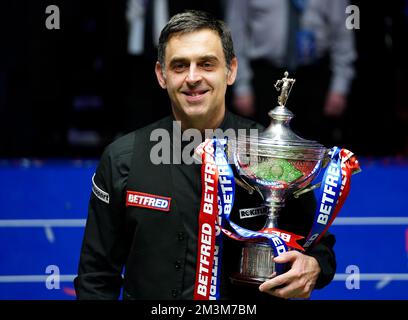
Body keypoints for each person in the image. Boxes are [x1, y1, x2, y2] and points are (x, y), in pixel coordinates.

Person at [74, 10, 336, 300]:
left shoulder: (270, 153)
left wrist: (312, 266)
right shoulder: (123, 157)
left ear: (231, 70)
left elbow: (319, 249)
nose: (193, 77)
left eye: (207, 64)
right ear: (161, 75)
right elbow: (96, 277)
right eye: (179, 66)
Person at [226, 0, 357, 145]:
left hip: (315, 76)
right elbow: (236, 30)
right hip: (265, 76)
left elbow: (342, 32)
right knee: (266, 148)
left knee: (315, 147)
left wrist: (340, 86)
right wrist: (241, 86)